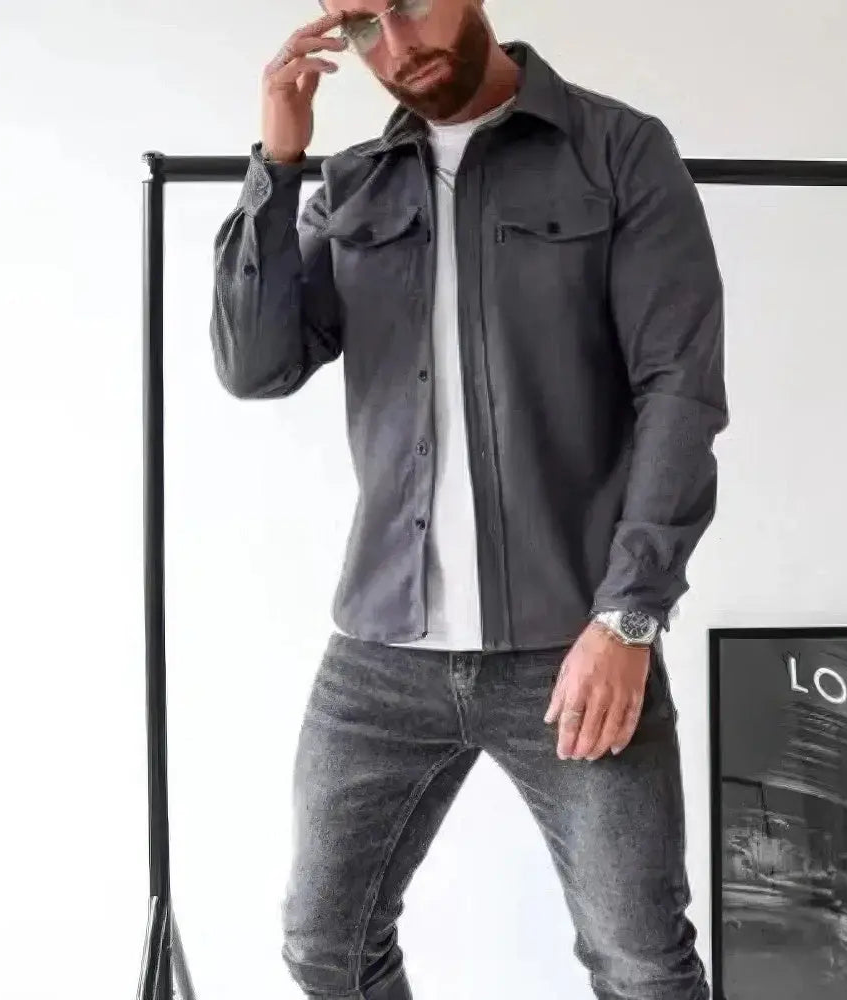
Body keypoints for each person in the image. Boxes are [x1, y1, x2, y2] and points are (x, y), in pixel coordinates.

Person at [209, 1, 728, 997]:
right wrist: (277, 165)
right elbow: (255, 365)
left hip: (573, 645)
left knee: (641, 966)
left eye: (408, 5)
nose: (395, 45)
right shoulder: (351, 182)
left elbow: (680, 390)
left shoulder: (616, 151)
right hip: (382, 654)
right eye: (362, 26)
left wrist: (628, 616)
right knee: (325, 947)